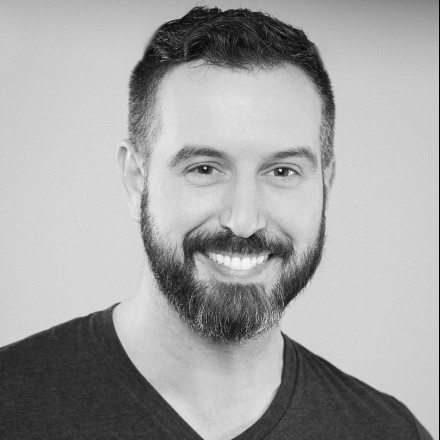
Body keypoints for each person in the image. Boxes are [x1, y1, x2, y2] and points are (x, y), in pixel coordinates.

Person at [0, 6, 433, 440]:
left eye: (282, 171)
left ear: (325, 185)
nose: (243, 221)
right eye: (205, 169)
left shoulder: (389, 432)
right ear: (136, 179)